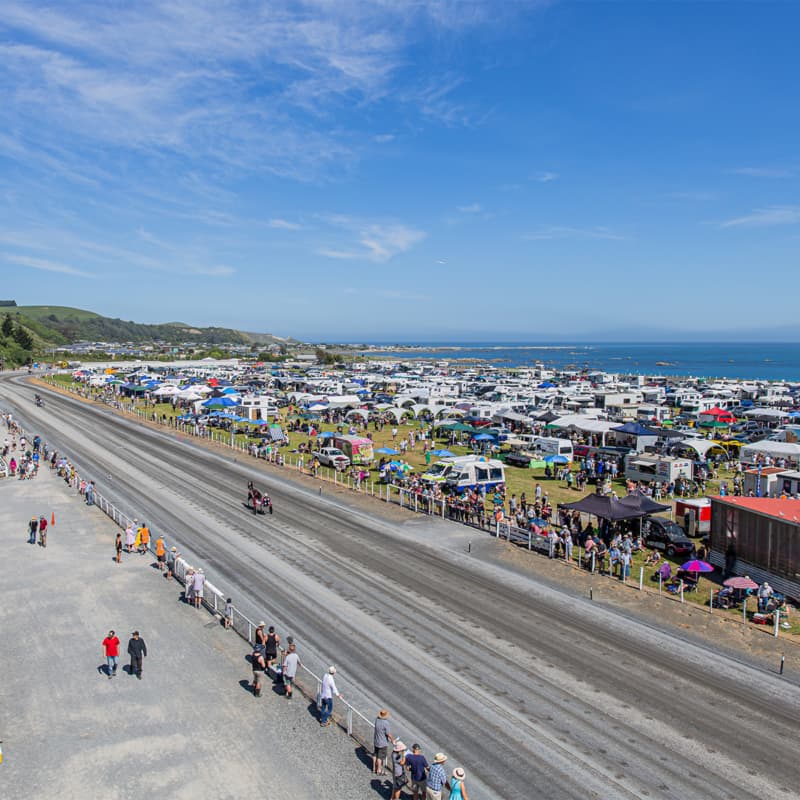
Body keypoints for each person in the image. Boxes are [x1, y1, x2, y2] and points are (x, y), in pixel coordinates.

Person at [373, 709, 396, 775]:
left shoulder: (377, 720)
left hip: (376, 740)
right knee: (380, 757)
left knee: (375, 754)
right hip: (382, 742)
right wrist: (392, 740)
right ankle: (379, 770)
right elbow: (388, 733)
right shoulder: (386, 723)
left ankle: (374, 768)